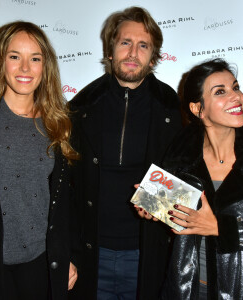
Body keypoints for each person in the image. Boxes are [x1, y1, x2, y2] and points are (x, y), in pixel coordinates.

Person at [68, 6, 182, 300]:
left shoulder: (174, 109)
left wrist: (162, 206)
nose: (133, 53)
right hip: (91, 254)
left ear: (154, 55)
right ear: (110, 50)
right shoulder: (80, 108)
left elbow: (189, 176)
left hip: (149, 255)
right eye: (125, 43)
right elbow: (62, 186)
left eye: (143, 45)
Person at [0, 21, 80, 300]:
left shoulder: (60, 125)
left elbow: (66, 204)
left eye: (35, 59)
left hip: (40, 268)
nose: (25, 68)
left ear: (46, 66)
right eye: (15, 56)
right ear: (0, 62)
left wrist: (68, 255)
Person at [139, 58, 243, 299]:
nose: (236, 97)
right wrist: (157, 210)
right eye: (221, 91)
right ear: (198, 109)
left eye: (235, 87)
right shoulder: (180, 158)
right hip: (189, 288)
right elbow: (184, 225)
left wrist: (220, 228)